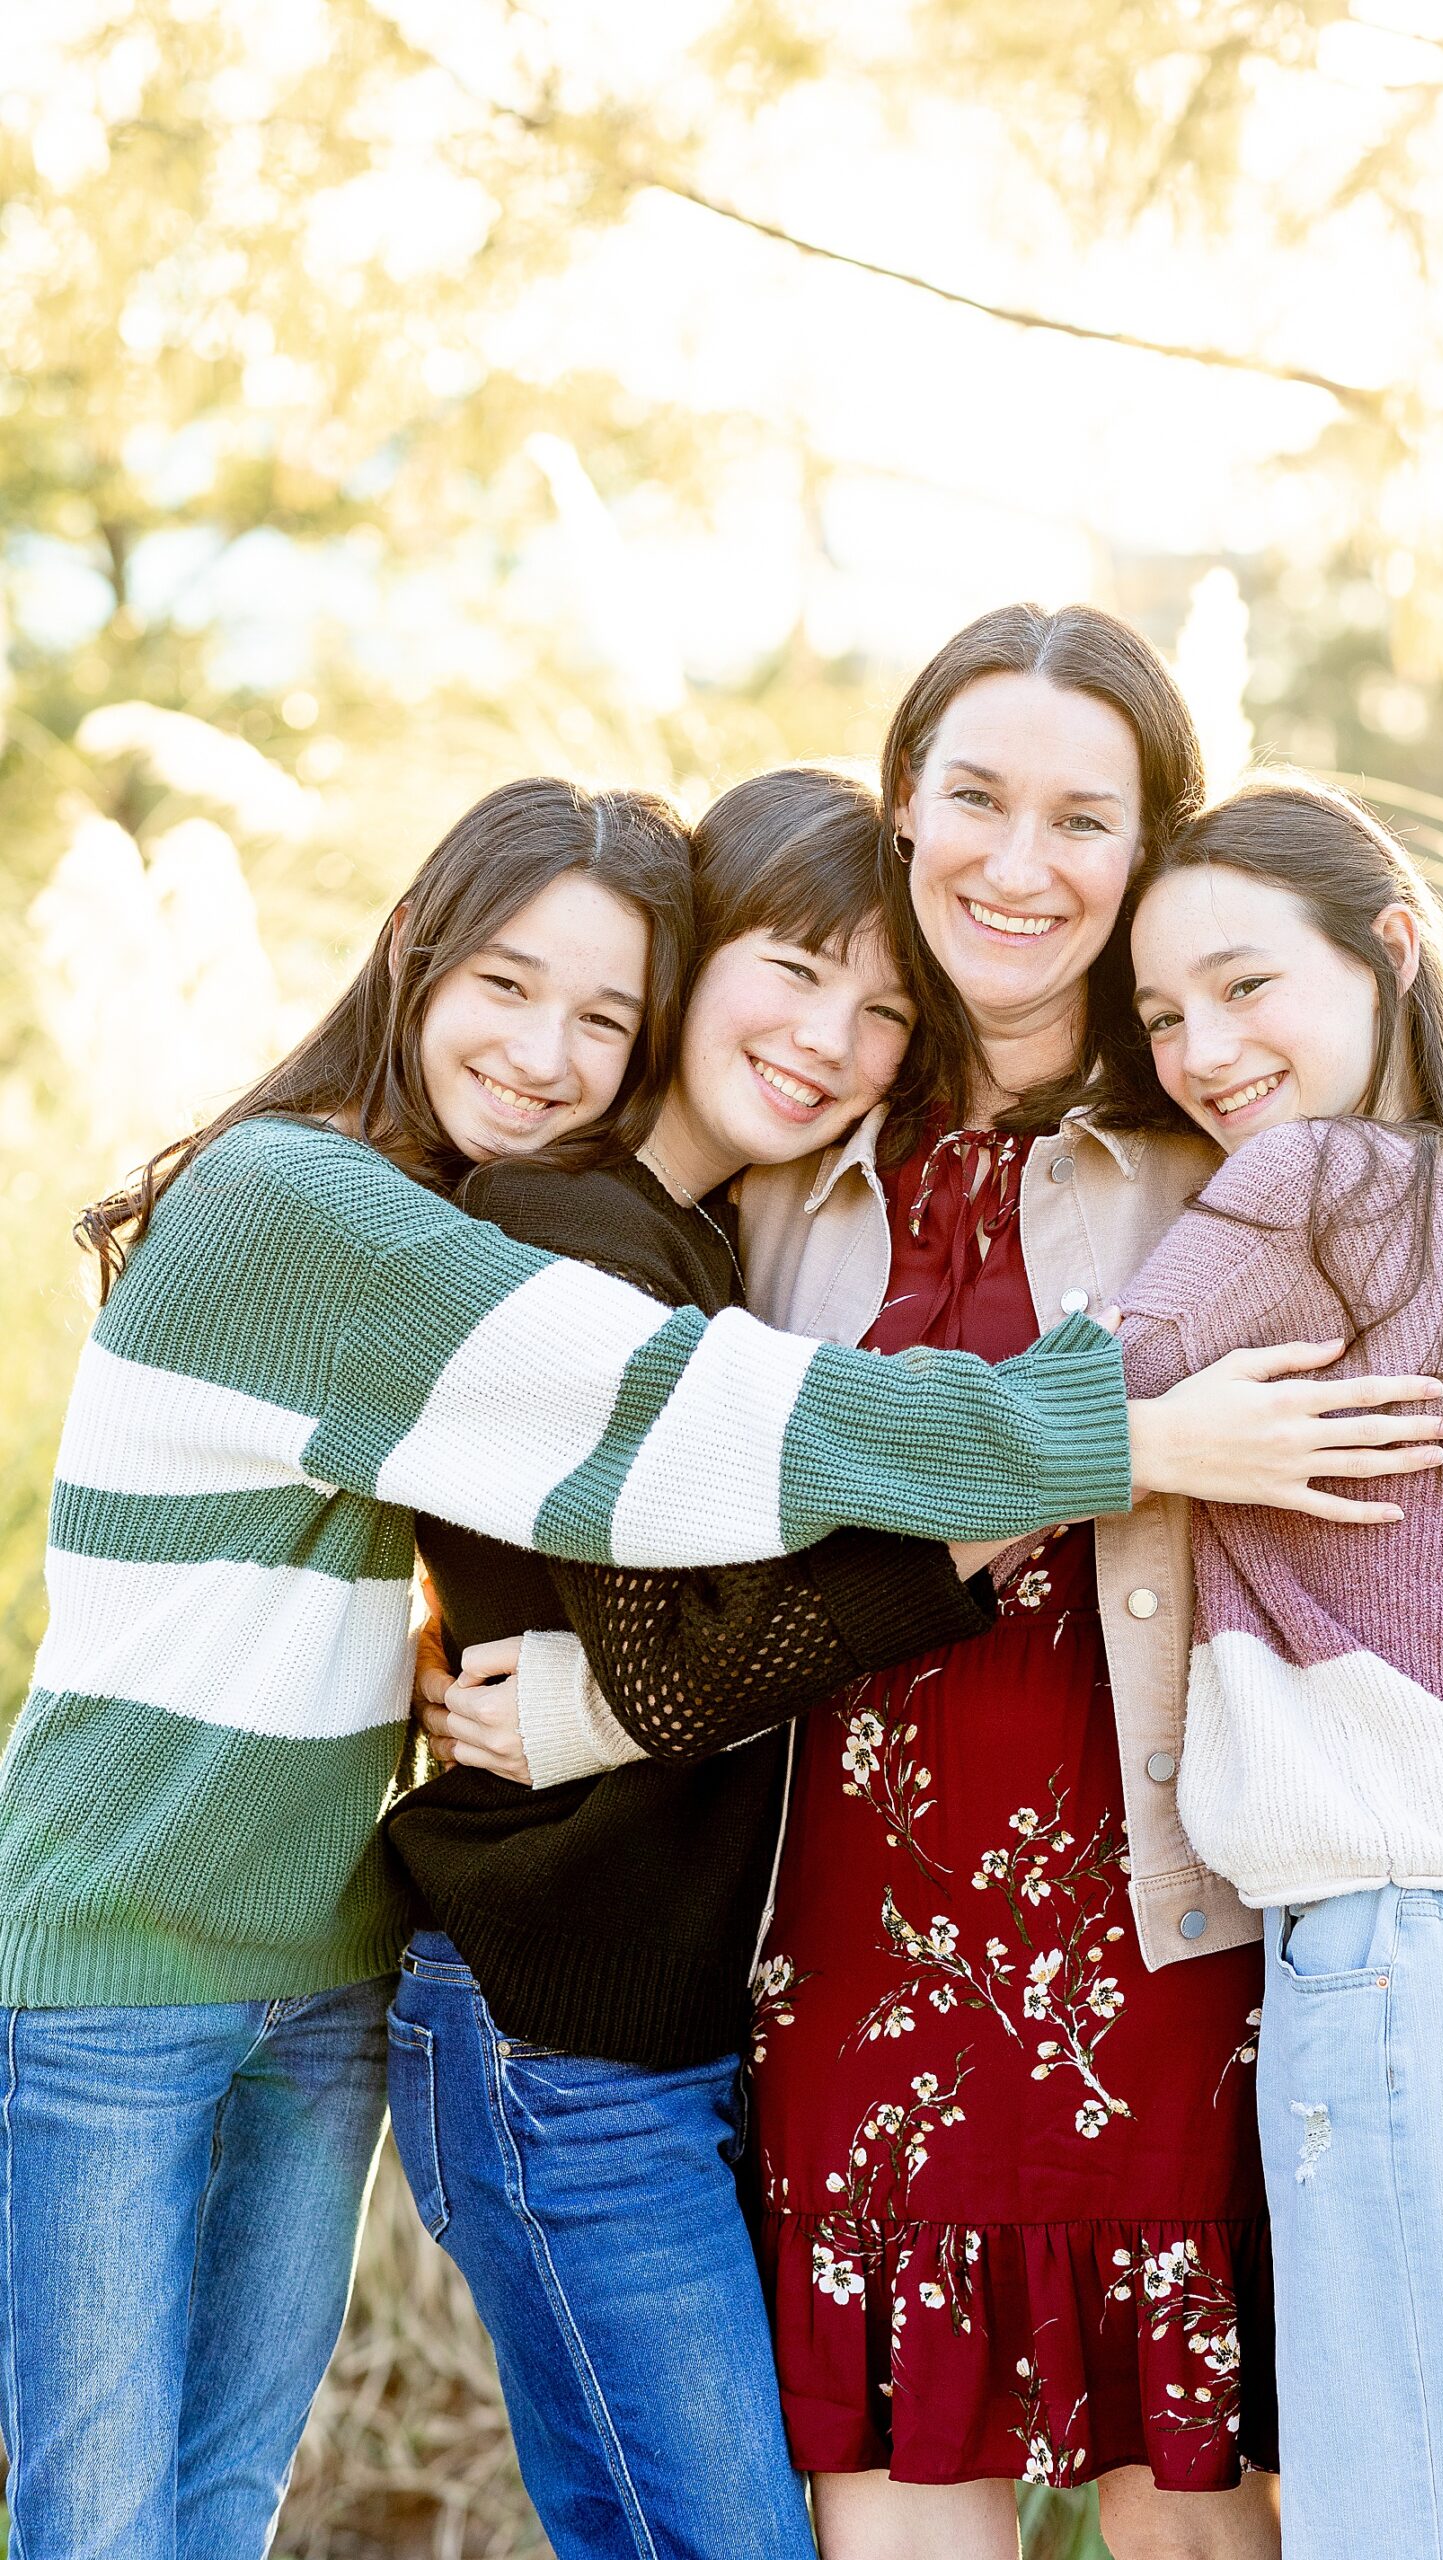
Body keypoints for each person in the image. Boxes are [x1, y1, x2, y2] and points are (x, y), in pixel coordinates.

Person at [0, 767, 1185, 2560]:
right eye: (506, 986)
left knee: (212, 2511)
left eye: (599, 1014)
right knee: (102, 2525)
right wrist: (1111, 1429)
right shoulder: (318, 1205)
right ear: (413, 953)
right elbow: (693, 1441)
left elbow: (558, 1554)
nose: (549, 1052)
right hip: (130, 1960)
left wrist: (508, 1671)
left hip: (318, 1964)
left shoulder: (564, 1223)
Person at [729, 606, 1443, 2560]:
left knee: (1216, 2519)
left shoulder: (1240, 1142)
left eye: (1082, 815)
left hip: (1188, 1953)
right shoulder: (787, 1138)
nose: (1016, 859)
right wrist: (1128, 1444)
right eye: (973, 796)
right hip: (860, 1945)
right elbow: (700, 1479)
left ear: (1145, 845)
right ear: (902, 802)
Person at [384, 766, 1014, 2560]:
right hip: (553, 2028)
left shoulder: (708, 1254)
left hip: (641, 2039)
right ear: (685, 954)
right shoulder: (563, 1226)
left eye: (886, 1008)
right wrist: (969, 1546)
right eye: (793, 966)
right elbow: (673, 1667)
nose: (830, 1035)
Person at [1114, 777, 1443, 2560]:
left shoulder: (1306, 1176)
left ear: (1389, 953)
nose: (1201, 1048)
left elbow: (1080, 1395)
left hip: (1408, 1967)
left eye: (1246, 984)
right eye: (1162, 1015)